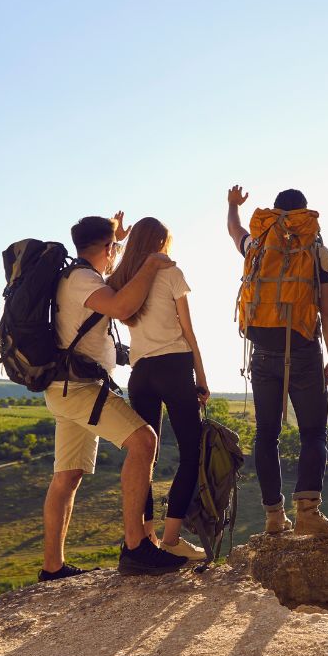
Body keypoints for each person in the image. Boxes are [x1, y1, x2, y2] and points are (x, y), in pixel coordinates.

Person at [39, 212, 189, 580]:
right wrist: (153, 262)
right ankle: (137, 547)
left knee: (67, 476)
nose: (115, 254)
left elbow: (115, 280)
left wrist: (119, 241)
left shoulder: (75, 276)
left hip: (64, 388)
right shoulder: (82, 280)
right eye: (113, 249)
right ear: (105, 248)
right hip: (80, 389)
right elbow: (123, 305)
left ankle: (52, 568)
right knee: (143, 441)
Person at [227, 185, 328, 536]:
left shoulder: (258, 245)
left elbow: (235, 232)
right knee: (313, 432)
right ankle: (307, 512)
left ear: (275, 213)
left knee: (266, 434)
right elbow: (327, 307)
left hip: (262, 352)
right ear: (304, 213)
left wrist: (232, 205)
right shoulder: (317, 249)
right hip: (304, 349)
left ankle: (274, 517)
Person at [107, 216, 209, 562]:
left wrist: (118, 240)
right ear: (161, 244)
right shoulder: (171, 274)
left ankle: (147, 537)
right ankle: (172, 538)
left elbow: (110, 269)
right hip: (175, 367)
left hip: (141, 373)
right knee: (192, 452)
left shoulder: (124, 281)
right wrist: (202, 377)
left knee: (143, 457)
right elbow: (189, 332)